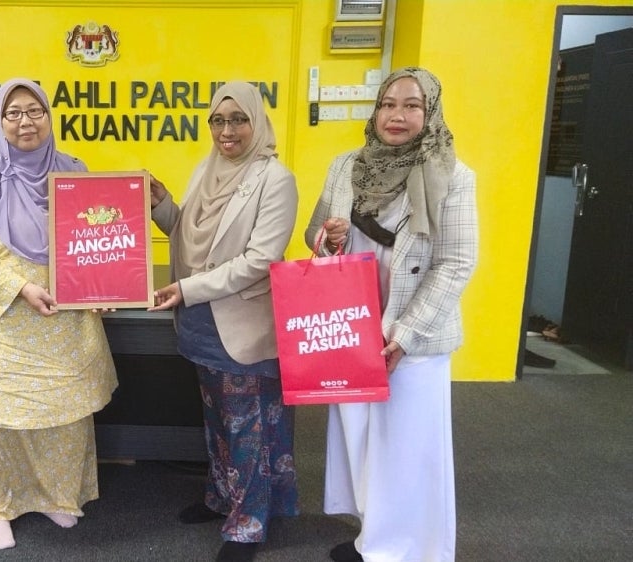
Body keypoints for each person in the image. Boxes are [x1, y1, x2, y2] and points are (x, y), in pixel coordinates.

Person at [304, 67, 477, 562]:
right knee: (362, 437)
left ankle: (410, 549)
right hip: (353, 327)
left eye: (412, 105)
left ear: (431, 113)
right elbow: (315, 234)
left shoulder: (453, 176)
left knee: (405, 446)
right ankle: (374, 536)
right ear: (375, 110)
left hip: (412, 334)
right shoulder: (346, 166)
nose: (397, 115)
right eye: (388, 104)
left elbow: (456, 261)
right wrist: (330, 240)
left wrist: (405, 333)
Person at [0, 78, 118, 550]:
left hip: (63, 318)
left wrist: (103, 282)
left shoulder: (74, 170)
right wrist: (18, 286)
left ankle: (57, 494)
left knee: (63, 413)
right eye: (13, 112)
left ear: (50, 116)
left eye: (35, 110)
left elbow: (93, 241)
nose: (26, 121)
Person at [148, 81, 299, 562]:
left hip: (241, 322)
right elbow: (186, 233)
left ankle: (250, 524)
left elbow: (260, 259)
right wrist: (160, 203)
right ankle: (221, 497)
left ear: (257, 122)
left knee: (247, 426)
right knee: (215, 419)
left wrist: (188, 289)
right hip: (198, 319)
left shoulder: (276, 179)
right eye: (218, 120)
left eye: (238, 119)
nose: (227, 130)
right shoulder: (205, 170)